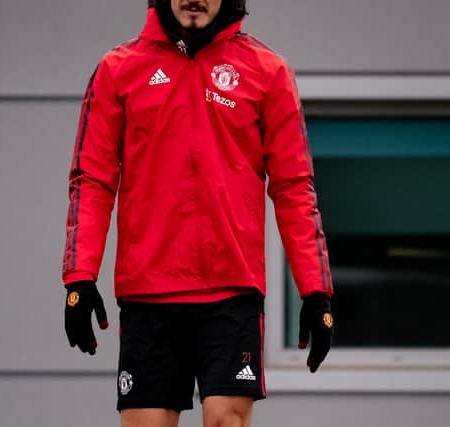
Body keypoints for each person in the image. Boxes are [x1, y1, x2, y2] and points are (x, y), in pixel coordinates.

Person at [61, 1, 335, 426]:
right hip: (148, 294)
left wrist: (316, 292)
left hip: (231, 293)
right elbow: (91, 180)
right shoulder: (118, 69)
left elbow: (294, 187)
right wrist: (80, 277)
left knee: (227, 420)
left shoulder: (267, 71)